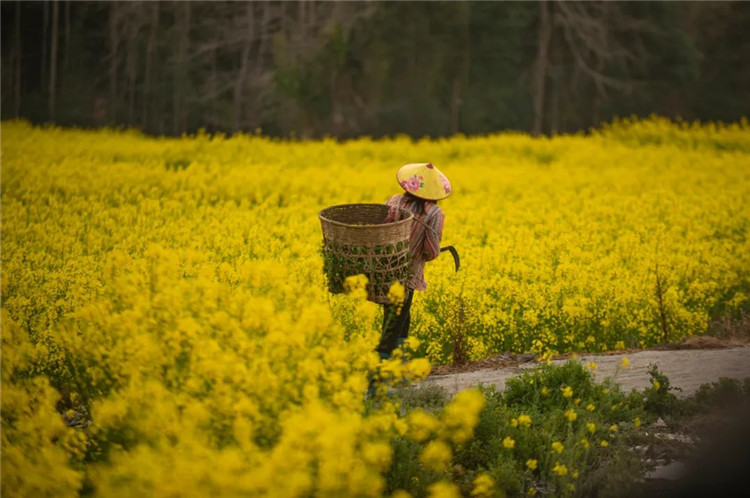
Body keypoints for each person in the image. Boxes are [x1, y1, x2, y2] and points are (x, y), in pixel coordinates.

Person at [375, 162, 451, 362]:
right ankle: (380, 370)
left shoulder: (394, 200)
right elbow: (432, 250)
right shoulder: (435, 213)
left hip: (383, 267)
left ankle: (398, 363)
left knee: (399, 316)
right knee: (396, 320)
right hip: (407, 273)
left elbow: (381, 228)